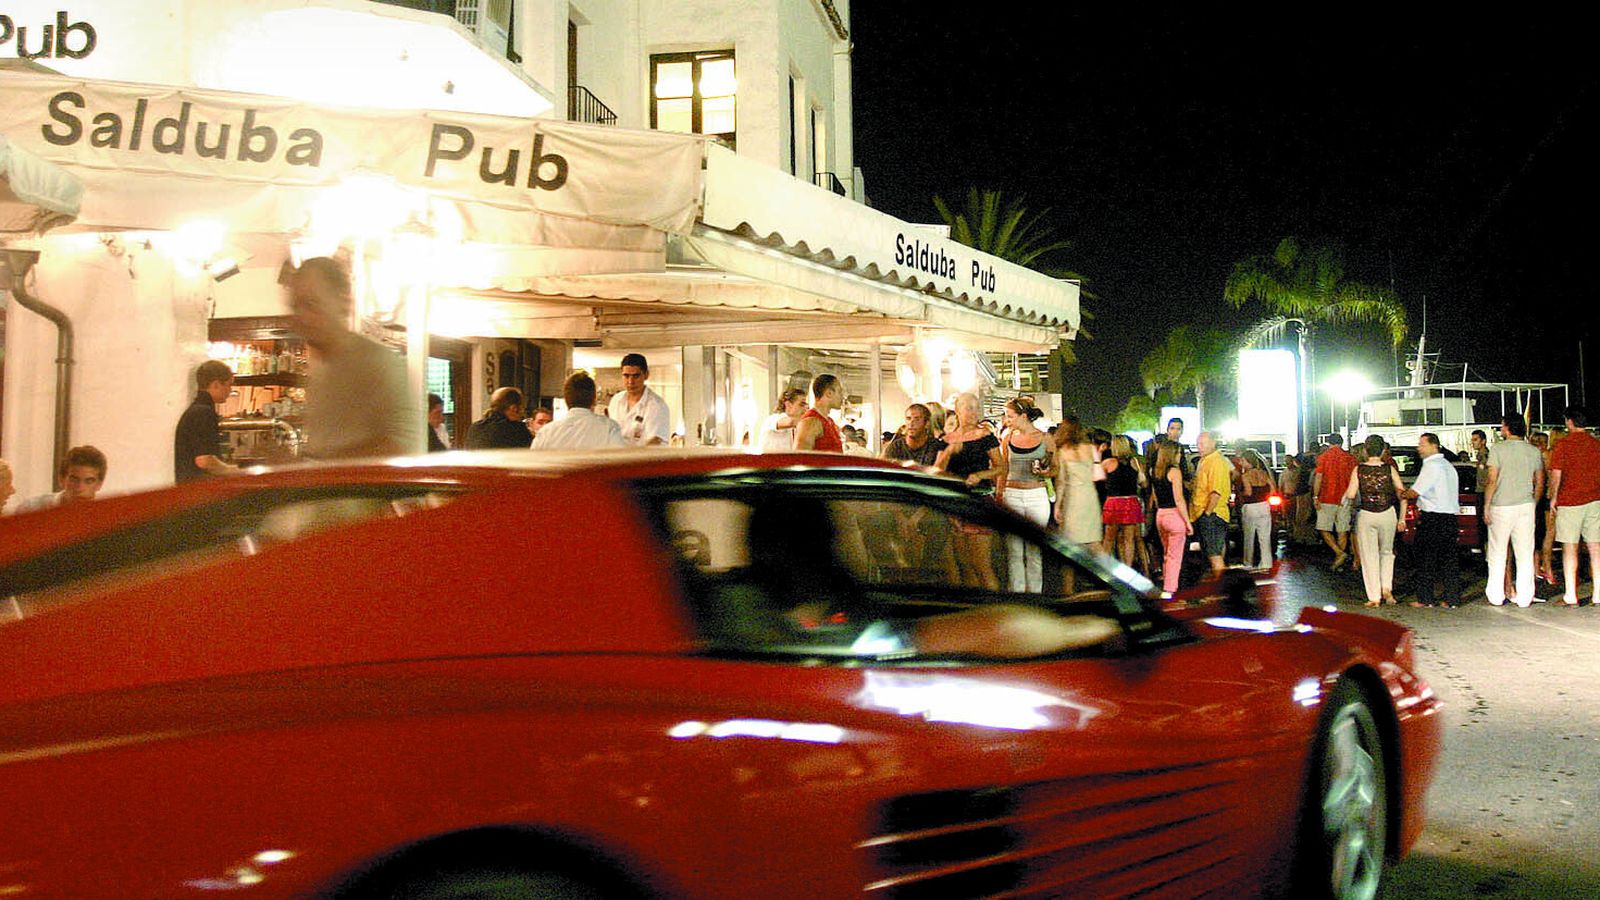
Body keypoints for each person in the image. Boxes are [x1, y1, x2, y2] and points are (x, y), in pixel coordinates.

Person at [290, 257, 421, 459]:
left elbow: (402, 449)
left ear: (343, 301)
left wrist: (317, 466)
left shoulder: (379, 363)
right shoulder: (319, 370)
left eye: (312, 303)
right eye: (296, 306)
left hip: (366, 491)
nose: (302, 316)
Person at [935, 392, 1002, 589]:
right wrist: (949, 451)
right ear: (958, 410)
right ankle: (976, 609)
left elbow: (1001, 467)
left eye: (976, 408)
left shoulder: (986, 436)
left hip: (979, 501)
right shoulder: (946, 440)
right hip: (955, 502)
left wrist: (981, 475)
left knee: (982, 566)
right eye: (969, 408)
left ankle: (996, 611)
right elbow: (937, 471)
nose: (974, 413)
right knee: (965, 565)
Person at [1483, 413, 1544, 607]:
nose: (1501, 429)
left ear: (1508, 428)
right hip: (1526, 505)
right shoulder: (1533, 451)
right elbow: (1540, 481)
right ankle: (1525, 597)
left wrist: (1486, 505)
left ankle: (1496, 595)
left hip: (1501, 505)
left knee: (1498, 551)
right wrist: (1533, 501)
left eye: (1502, 426)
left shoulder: (1498, 449)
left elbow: (1492, 479)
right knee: (1525, 552)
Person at [1343, 434, 1409, 606]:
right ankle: (1387, 588)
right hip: (1388, 513)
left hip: (1366, 514)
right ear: (1383, 450)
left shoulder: (1358, 470)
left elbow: (1350, 494)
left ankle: (1374, 596)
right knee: (1387, 552)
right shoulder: (1389, 469)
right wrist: (1402, 518)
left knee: (1368, 555)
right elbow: (1402, 493)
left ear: (1365, 450)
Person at [996, 397, 1053, 593]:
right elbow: (1003, 469)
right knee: (1014, 551)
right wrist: (1000, 493)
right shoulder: (1007, 438)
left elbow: (1055, 468)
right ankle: (1018, 593)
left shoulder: (1045, 438)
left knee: (1034, 550)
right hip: (1012, 494)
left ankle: (1035, 594)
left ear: (1023, 416)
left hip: (1037, 494)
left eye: (1010, 416)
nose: (1007, 419)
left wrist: (1046, 472)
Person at [1548, 406, 1600, 606]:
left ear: (1569, 422)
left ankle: (1571, 595)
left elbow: (1556, 475)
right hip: (1595, 500)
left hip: (1570, 501)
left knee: (1570, 547)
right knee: (1595, 547)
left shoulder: (1563, 445)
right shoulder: (1596, 444)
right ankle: (1598, 594)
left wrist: (1553, 498)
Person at [1404, 432, 1462, 608]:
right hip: (1450, 518)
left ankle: (1425, 598)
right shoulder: (1448, 466)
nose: (1418, 448)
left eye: (1422, 445)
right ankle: (1452, 599)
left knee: (1426, 559)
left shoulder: (1431, 466)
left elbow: (1416, 491)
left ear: (1433, 445)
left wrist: (1402, 493)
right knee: (1449, 560)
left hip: (1433, 518)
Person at [174, 359, 237, 482]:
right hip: (196, 492)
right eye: (229, 384)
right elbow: (204, 460)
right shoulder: (203, 413)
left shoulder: (196, 410)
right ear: (216, 384)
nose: (230, 390)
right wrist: (232, 470)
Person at [531, 372, 627, 449]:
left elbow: (534, 467)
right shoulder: (609, 428)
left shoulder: (546, 432)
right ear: (594, 399)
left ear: (566, 400)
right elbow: (620, 465)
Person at [1051, 416, 1103, 552]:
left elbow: (1061, 481)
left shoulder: (1062, 451)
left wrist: (1057, 505)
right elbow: (1097, 474)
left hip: (1073, 497)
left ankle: (1070, 573)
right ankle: (1106, 570)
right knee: (1094, 542)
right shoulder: (1091, 448)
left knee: (1070, 545)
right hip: (1090, 496)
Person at [1151, 442, 1192, 598]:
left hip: (1160, 514)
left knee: (1167, 554)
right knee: (1175, 556)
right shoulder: (1174, 472)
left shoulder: (1154, 471)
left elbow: (1155, 496)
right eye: (1179, 453)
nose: (1180, 456)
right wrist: (1187, 522)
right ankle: (1170, 590)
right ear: (1173, 454)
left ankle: (1166, 585)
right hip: (1174, 515)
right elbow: (1179, 499)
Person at [1189, 431, 1233, 578]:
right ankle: (1220, 584)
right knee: (1214, 552)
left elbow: (1216, 491)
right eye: (1198, 444)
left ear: (1213, 443)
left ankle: (1222, 587)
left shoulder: (1216, 462)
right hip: (1206, 513)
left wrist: (1207, 513)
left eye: (1202, 444)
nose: (1199, 447)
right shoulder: (1205, 461)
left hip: (1211, 514)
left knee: (1214, 554)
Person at [1101, 435, 1147, 573]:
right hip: (1131, 502)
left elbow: (1097, 477)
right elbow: (1143, 483)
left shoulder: (1108, 463)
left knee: (1109, 539)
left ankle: (1104, 570)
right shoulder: (1134, 462)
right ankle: (1128, 570)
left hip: (1114, 502)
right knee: (1129, 540)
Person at [15, 445, 108, 512]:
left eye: (89, 481)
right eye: (74, 479)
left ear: (99, 484)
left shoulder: (108, 519)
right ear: (61, 479)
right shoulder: (32, 509)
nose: (80, 488)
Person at [607, 352, 671, 447]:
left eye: (635, 376)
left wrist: (631, 458)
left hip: (644, 460)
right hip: (617, 459)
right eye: (626, 376)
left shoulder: (656, 405)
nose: (630, 381)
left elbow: (655, 441)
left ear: (646, 375)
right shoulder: (616, 401)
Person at [1313, 433, 1357, 569]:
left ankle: (1338, 553)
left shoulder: (1323, 457)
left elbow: (1319, 477)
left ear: (1329, 442)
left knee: (1323, 528)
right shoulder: (1350, 458)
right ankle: (1340, 559)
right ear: (1341, 442)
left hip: (1327, 497)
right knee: (1342, 529)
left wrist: (1315, 496)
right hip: (1345, 498)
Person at [1238, 449, 1276, 571]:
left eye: (1243, 460)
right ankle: (1266, 563)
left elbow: (1248, 492)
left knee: (1249, 537)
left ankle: (1248, 563)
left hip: (1251, 507)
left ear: (1248, 461)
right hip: (1264, 506)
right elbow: (1273, 489)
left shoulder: (1245, 476)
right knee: (1264, 537)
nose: (1241, 463)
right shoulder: (1263, 473)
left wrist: (1240, 494)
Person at [465, 387, 533, 449]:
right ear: (513, 408)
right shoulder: (517, 429)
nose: (522, 413)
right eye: (522, 408)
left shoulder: (475, 427)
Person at [882, 403, 947, 466]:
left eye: (917, 419)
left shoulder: (937, 447)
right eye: (908, 418)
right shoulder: (895, 447)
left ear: (927, 423)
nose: (911, 423)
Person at [794, 374, 845, 452]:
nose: (842, 397)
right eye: (840, 392)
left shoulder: (830, 422)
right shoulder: (810, 422)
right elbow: (799, 458)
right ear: (829, 393)